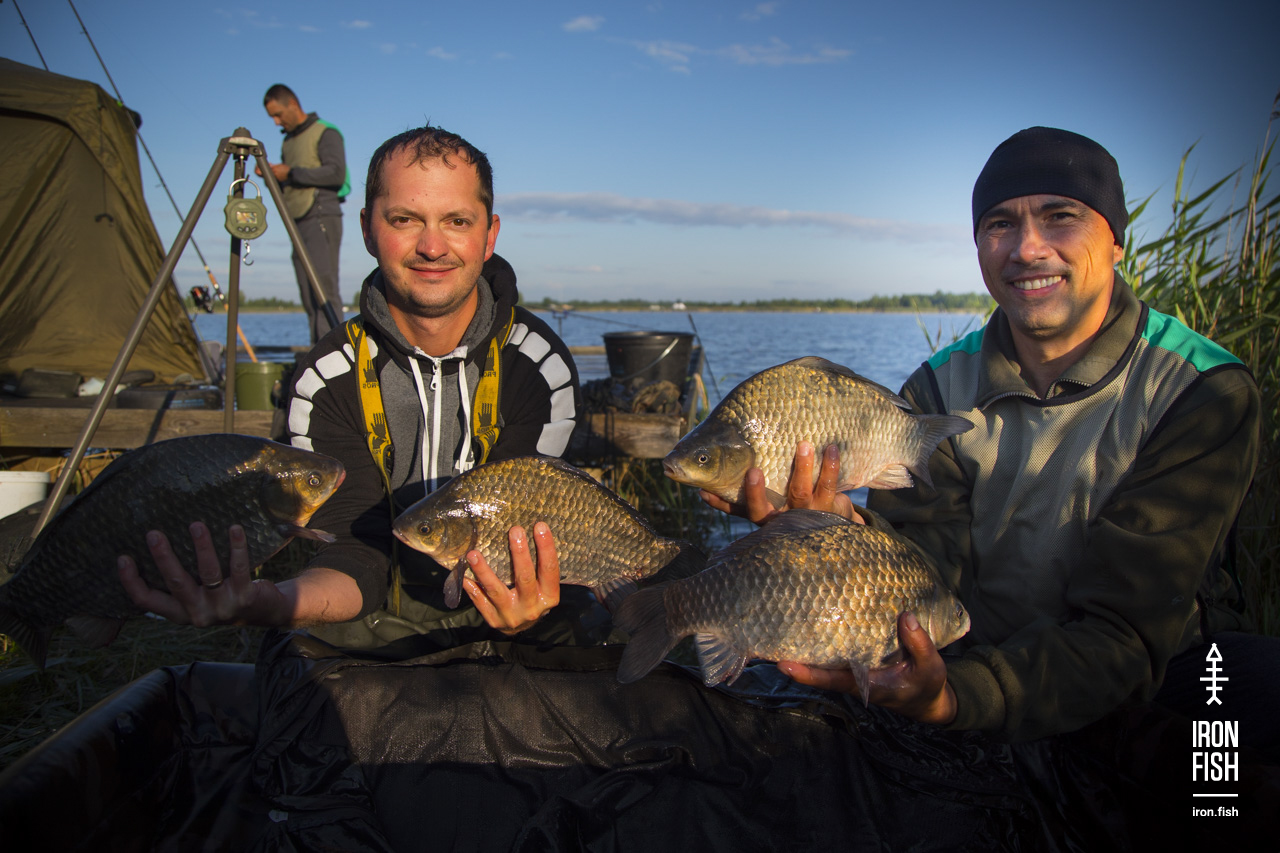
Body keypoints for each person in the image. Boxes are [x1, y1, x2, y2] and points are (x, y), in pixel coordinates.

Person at [707, 127, 1275, 755]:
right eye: (1000, 224)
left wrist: (958, 699)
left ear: (1117, 240)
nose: (1028, 249)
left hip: (1158, 677)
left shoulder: (1201, 390)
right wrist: (841, 529)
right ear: (979, 246)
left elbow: (1125, 630)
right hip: (972, 657)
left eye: (1060, 217)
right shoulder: (935, 389)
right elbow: (925, 570)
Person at [119, 125, 584, 652]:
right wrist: (271, 602)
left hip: (505, 597)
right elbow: (354, 550)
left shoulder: (539, 366)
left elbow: (533, 527)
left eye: (457, 221)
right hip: (371, 612)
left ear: (490, 234)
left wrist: (523, 611)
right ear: (367, 229)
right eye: (404, 220)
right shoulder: (326, 377)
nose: (432, 247)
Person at [261, 84, 349, 344]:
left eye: (278, 115)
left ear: (293, 104)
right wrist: (270, 176)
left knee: (323, 290)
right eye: (272, 118)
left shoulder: (326, 132)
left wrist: (290, 172)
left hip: (321, 215)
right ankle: (317, 350)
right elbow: (290, 182)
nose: (277, 122)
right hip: (297, 221)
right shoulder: (288, 142)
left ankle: (337, 353)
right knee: (308, 294)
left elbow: (336, 174)